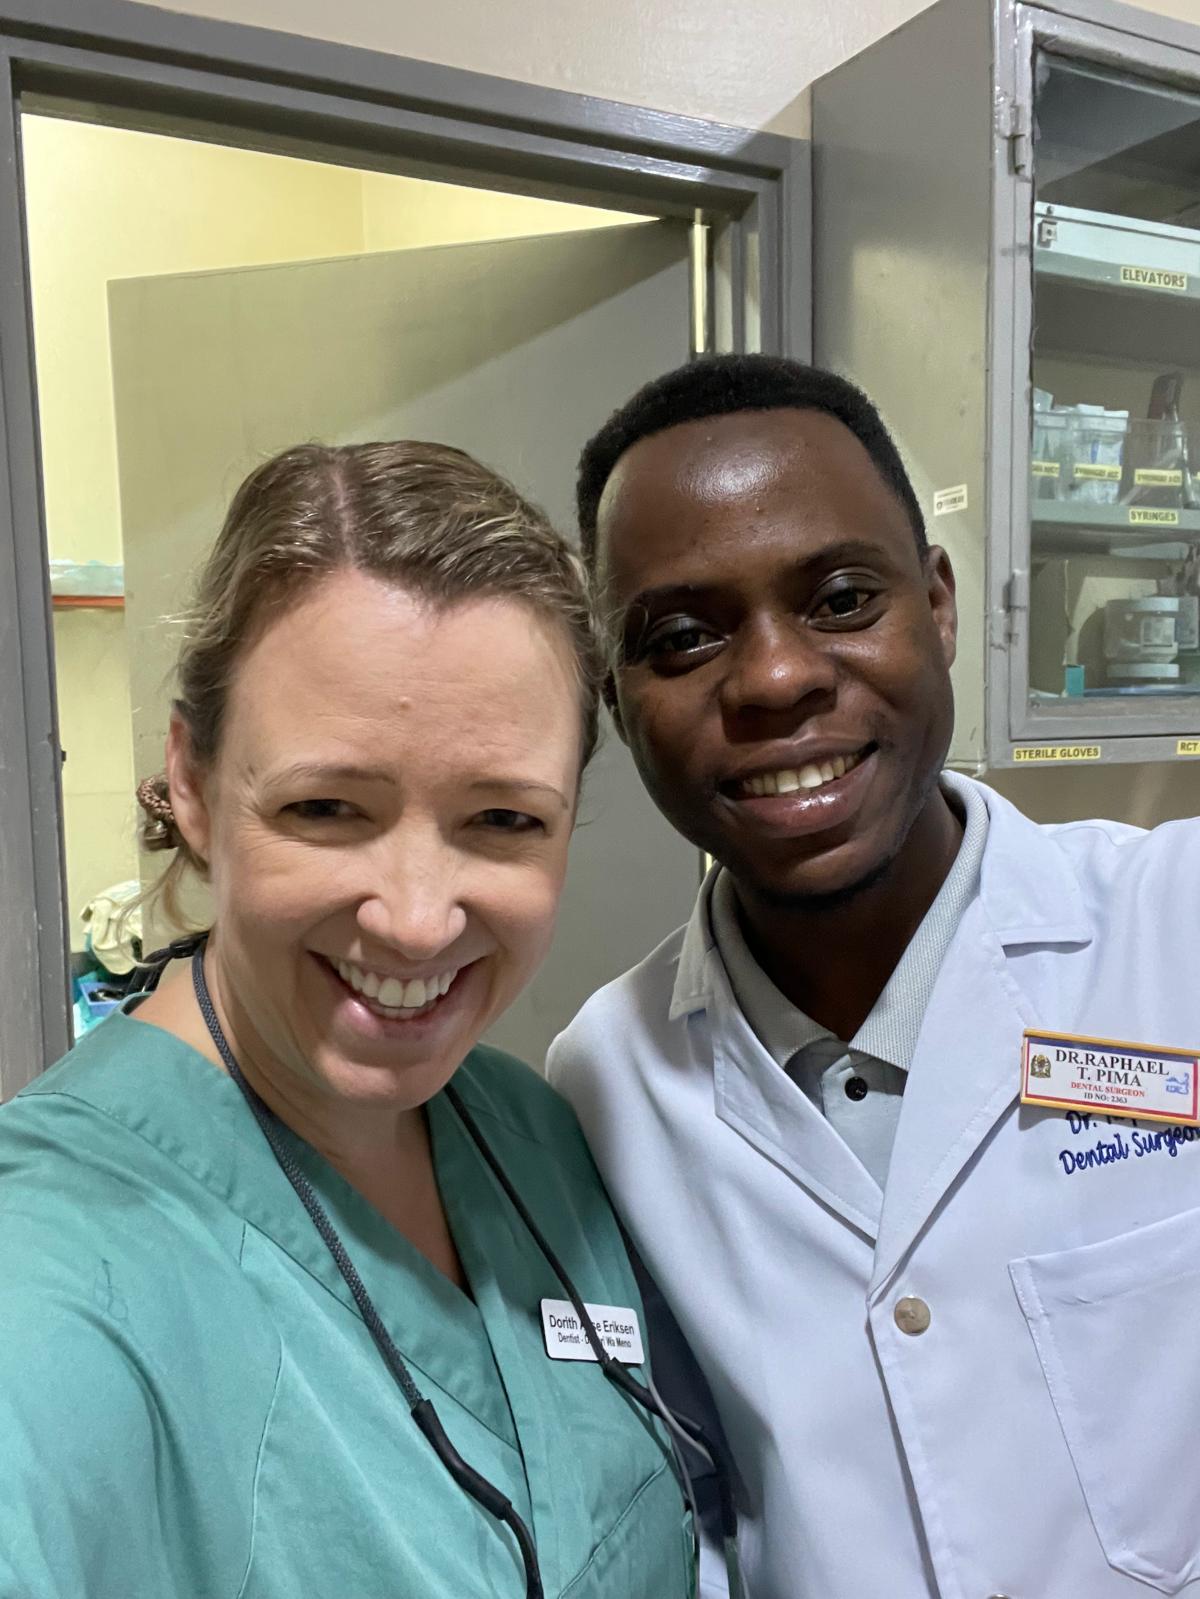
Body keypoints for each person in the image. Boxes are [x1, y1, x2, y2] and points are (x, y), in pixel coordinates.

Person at [0, 441, 702, 1599]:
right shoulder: (54, 1260)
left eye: (504, 820)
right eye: (327, 808)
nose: (419, 923)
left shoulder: (534, 1136)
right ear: (192, 784)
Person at [548, 354, 1200, 1599]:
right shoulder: (603, 1083)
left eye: (842, 599)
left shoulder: (1177, 932)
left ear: (939, 608)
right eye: (681, 637)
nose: (775, 677)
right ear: (617, 704)